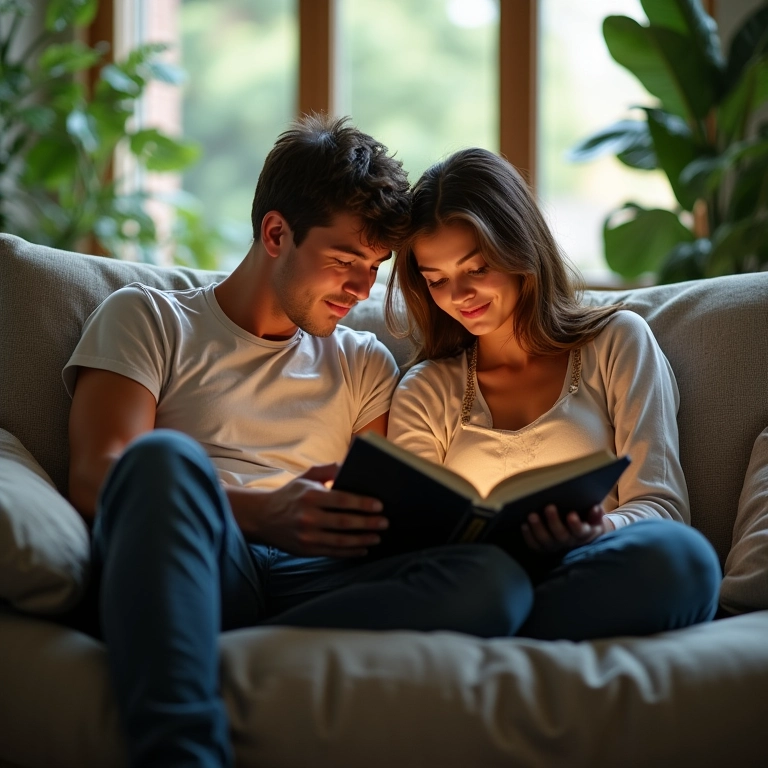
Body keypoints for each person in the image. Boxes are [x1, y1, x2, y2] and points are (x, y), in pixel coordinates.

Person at [64, 116, 529, 768]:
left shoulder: (365, 363)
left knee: (494, 581)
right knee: (162, 459)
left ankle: (190, 648)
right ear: (276, 233)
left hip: (307, 579)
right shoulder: (147, 318)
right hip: (202, 554)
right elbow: (96, 479)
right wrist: (262, 513)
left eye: (375, 267)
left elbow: (386, 510)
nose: (362, 289)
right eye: (344, 261)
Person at [385, 147, 722, 642]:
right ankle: (505, 620)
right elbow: (414, 543)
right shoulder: (426, 389)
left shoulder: (617, 342)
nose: (458, 295)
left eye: (477, 269)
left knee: (684, 560)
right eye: (437, 280)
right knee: (480, 588)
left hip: (592, 566)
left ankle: (507, 634)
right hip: (477, 582)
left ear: (518, 247)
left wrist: (595, 532)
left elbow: (662, 507)